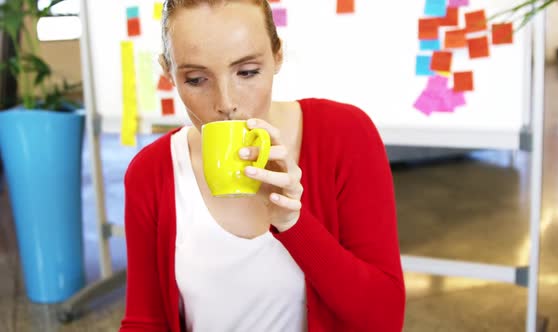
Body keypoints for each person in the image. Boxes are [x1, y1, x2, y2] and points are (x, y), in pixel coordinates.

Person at [120, 0, 405, 331]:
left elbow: (384, 319)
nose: (226, 104)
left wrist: (293, 223)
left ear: (277, 55)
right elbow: (145, 321)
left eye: (247, 72)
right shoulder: (151, 172)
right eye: (197, 79)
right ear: (169, 72)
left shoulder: (344, 134)